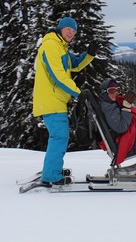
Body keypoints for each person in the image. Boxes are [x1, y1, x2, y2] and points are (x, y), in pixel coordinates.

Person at [33, 17, 99, 186]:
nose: (71, 32)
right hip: (50, 100)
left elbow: (75, 64)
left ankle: (52, 169)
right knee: (60, 136)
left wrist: (89, 54)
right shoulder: (50, 46)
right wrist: (79, 93)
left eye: (74, 30)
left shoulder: (61, 47)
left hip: (56, 100)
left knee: (59, 136)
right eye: (68, 29)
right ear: (60, 29)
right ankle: (51, 176)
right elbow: (58, 76)